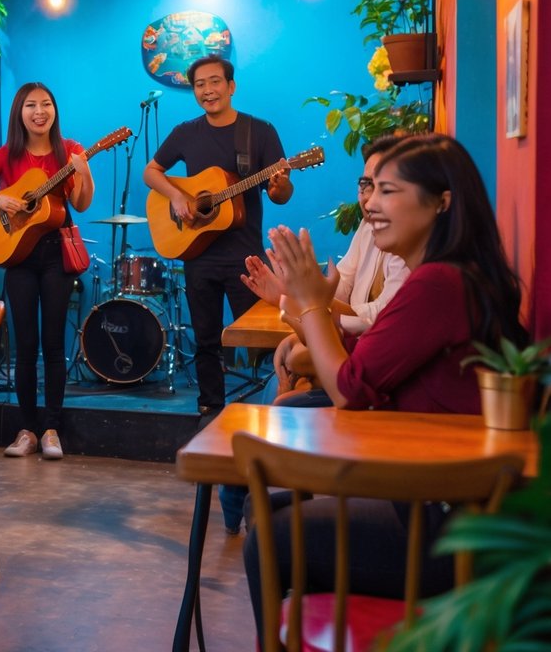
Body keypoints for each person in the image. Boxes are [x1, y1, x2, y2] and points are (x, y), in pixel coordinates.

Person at [242, 133, 526, 645]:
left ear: (441, 203)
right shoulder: (448, 277)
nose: (371, 204)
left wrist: (308, 303)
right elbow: (363, 374)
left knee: (270, 534)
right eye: (371, 190)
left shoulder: (438, 284)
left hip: (451, 530)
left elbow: (349, 389)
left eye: (389, 191)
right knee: (274, 512)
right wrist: (307, 301)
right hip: (447, 503)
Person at [143, 55, 293, 417]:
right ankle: (210, 409)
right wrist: (178, 195)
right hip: (198, 252)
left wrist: (279, 185)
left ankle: (267, 408)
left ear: (231, 86)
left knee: (260, 336)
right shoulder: (185, 133)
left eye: (215, 82)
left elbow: (281, 194)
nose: (208, 91)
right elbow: (152, 172)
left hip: (245, 255)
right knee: (207, 338)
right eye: (200, 84)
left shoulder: (259, 131)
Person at [0, 82, 93, 460]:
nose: (39, 111)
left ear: (54, 110)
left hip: (54, 257)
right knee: (25, 346)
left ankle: (51, 429)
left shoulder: (70, 151)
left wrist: (83, 173)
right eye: (31, 105)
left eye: (46, 104)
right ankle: (27, 429)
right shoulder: (9, 154)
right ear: (19, 112)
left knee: (53, 344)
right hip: (18, 258)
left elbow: (80, 204)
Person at [241, 133, 411, 407]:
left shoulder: (433, 278)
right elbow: (340, 286)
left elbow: (372, 327)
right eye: (366, 186)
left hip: (380, 405)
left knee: (284, 396)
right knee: (282, 381)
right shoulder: (369, 229)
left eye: (387, 189)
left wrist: (296, 304)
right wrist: (293, 296)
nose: (369, 202)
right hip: (354, 370)